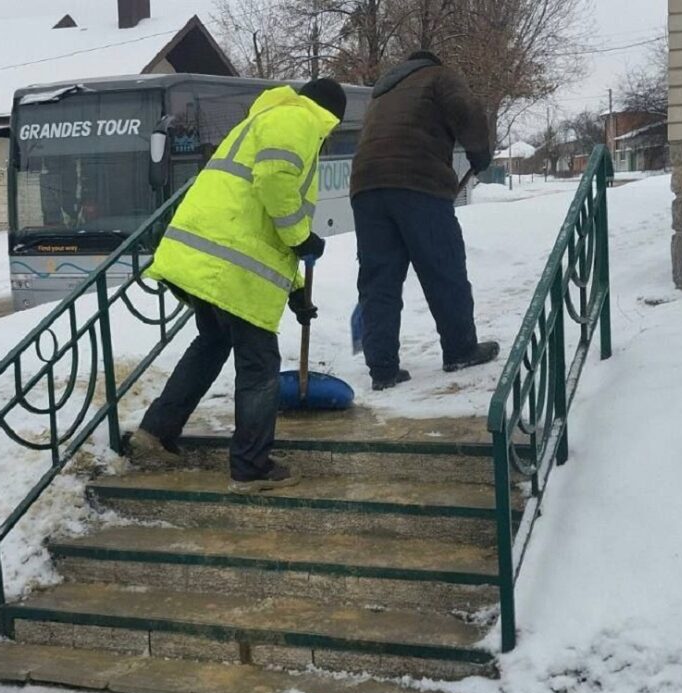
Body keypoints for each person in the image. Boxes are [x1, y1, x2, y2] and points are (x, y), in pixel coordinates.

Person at [129, 78, 347, 493]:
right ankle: (251, 467)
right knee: (259, 365)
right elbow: (275, 183)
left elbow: (254, 219)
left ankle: (156, 431)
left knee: (211, 343)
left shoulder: (263, 120)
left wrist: (296, 288)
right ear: (330, 114)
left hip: (205, 256)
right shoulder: (299, 120)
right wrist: (302, 237)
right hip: (230, 267)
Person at [350, 50, 498, 391]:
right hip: (417, 180)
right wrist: (479, 152)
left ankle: (383, 369)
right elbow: (467, 110)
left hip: (366, 187)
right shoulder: (440, 76)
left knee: (379, 280)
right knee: (442, 265)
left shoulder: (382, 93)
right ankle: (460, 349)